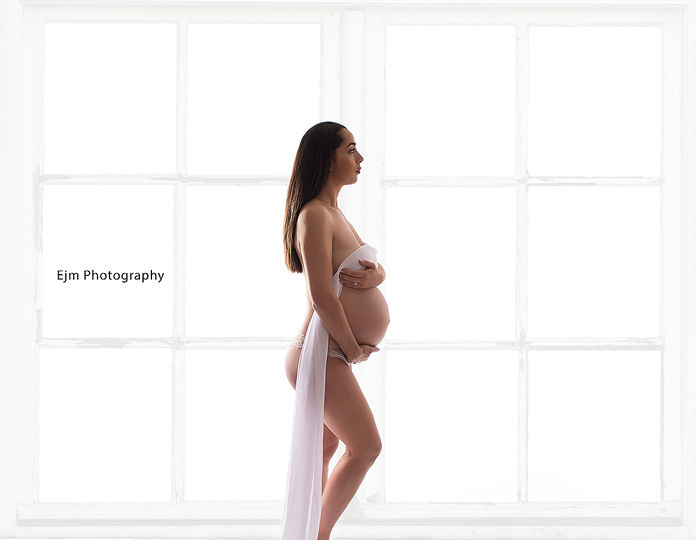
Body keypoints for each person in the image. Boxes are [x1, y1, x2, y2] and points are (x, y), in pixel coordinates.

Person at [280, 121, 390, 540]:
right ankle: (316, 536)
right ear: (327, 159)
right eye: (350, 149)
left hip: (333, 352)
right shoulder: (313, 216)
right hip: (323, 351)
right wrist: (352, 348)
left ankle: (311, 533)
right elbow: (323, 296)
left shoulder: (334, 213)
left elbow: (360, 267)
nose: (359, 158)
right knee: (365, 448)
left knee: (326, 449)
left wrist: (379, 275)